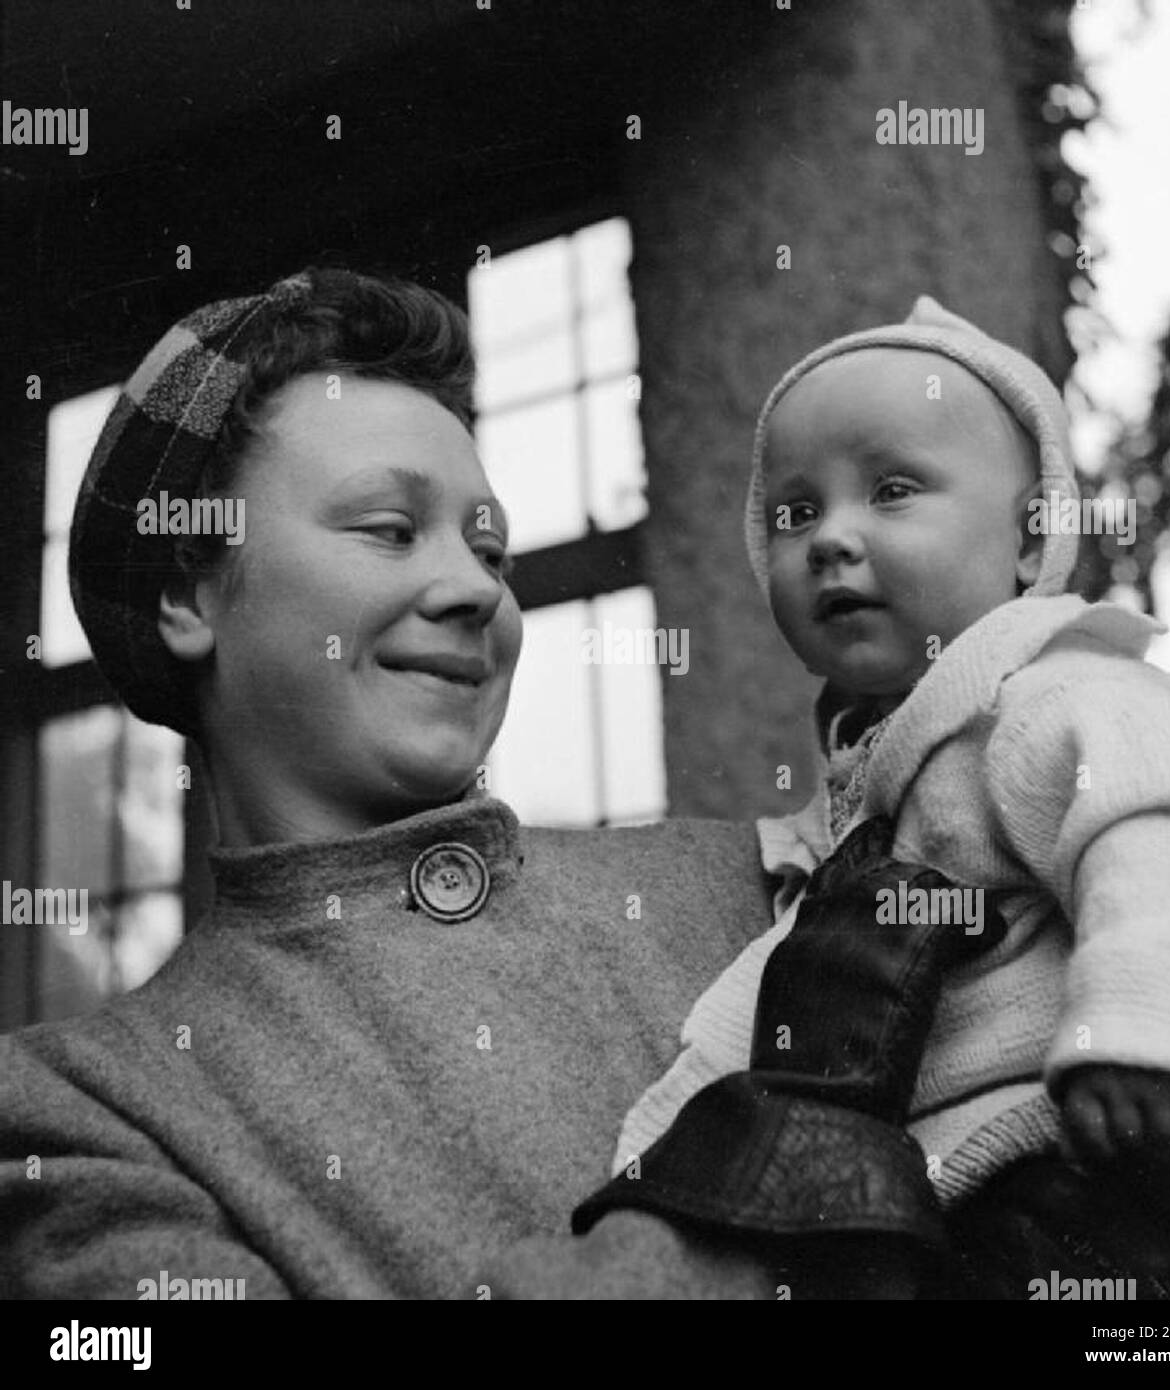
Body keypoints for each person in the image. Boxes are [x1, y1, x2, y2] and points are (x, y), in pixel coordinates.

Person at [0, 268, 810, 1299]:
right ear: (185, 591)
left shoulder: (746, 882)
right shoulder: (83, 1110)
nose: (478, 588)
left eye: (491, 548)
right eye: (388, 527)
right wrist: (777, 1193)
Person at [564, 296, 1170, 1298]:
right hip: (1001, 1175)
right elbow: (812, 942)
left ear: (1030, 543)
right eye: (794, 511)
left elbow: (1150, 835)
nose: (829, 538)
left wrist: (1139, 1026)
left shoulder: (1054, 690)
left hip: (1156, 1149)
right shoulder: (889, 757)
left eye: (891, 490)